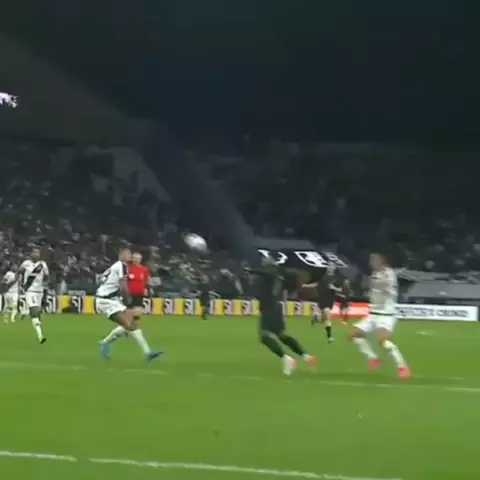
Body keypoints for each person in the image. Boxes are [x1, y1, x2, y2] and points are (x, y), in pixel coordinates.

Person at [249, 256, 316, 376]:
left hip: (270, 309)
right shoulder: (276, 276)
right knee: (282, 335)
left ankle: (287, 359)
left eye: (265, 264)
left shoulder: (270, 275)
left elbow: (266, 275)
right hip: (276, 308)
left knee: (264, 336)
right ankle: (306, 356)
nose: (263, 266)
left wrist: (252, 271)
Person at [350, 250, 411, 379]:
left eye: (374, 259)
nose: (371, 262)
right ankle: (374, 359)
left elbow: (386, 287)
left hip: (386, 314)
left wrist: (377, 290)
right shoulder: (375, 273)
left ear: (382, 260)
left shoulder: (389, 273)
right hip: (373, 313)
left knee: (383, 341)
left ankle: (403, 367)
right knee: (354, 335)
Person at [97, 248, 162, 362]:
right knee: (130, 325)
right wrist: (127, 300)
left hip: (112, 300)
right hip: (107, 301)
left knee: (131, 324)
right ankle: (147, 353)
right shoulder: (122, 266)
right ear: (121, 255)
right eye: (128, 254)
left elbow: (100, 279)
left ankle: (106, 342)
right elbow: (123, 285)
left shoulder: (116, 266)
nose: (130, 256)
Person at [302, 262, 341, 343]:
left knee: (323, 320)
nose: (330, 267)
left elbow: (340, 290)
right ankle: (329, 337)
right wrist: (306, 286)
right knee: (328, 318)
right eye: (329, 266)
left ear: (334, 268)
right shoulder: (324, 277)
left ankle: (316, 318)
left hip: (330, 300)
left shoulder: (337, 278)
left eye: (331, 266)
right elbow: (316, 284)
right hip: (323, 299)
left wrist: (334, 288)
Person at [18, 247, 48, 343]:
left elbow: (46, 276)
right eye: (34, 252)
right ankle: (40, 336)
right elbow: (19, 272)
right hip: (30, 291)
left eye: (37, 252)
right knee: (35, 312)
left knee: (37, 314)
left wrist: (46, 286)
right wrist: (20, 284)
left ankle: (25, 311)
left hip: (40, 291)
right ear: (31, 254)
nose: (36, 254)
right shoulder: (26, 263)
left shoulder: (43, 264)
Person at [127, 252, 151, 328]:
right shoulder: (128, 268)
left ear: (140, 259)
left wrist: (147, 289)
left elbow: (147, 280)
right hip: (129, 293)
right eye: (135, 258)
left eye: (138, 259)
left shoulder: (144, 269)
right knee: (129, 309)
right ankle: (128, 324)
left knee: (138, 310)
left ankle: (134, 325)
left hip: (140, 293)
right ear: (132, 259)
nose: (136, 260)